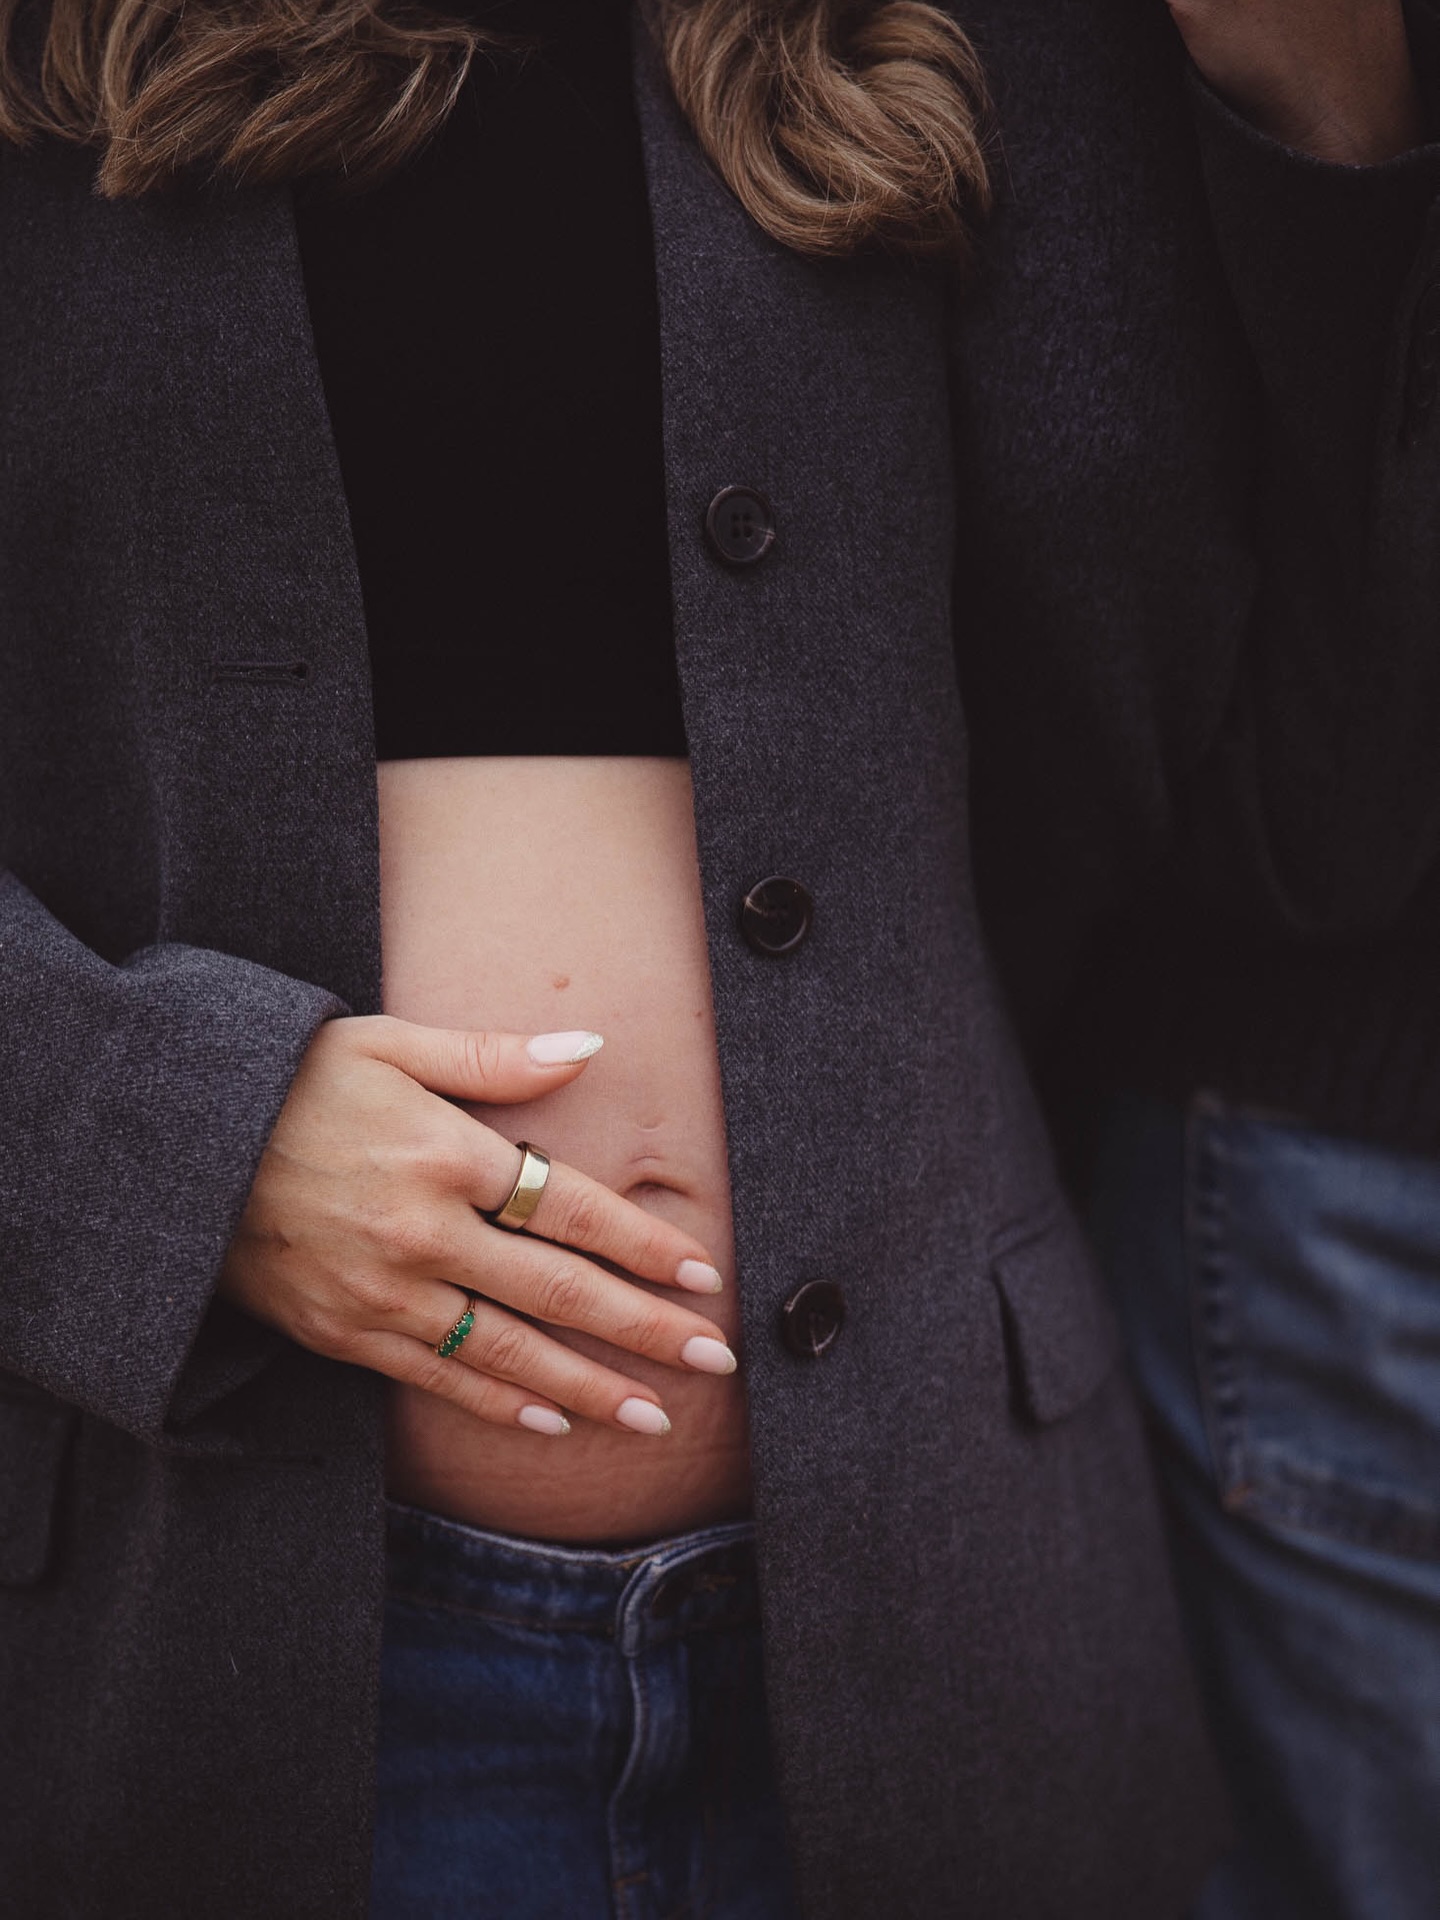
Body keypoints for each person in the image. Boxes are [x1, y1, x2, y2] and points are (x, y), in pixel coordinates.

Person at [0, 0, 1431, 1915]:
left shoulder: (975, 38)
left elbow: (1294, 812)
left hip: (947, 1652)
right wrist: (166, 1149)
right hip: (211, 1661)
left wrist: (1320, 108)